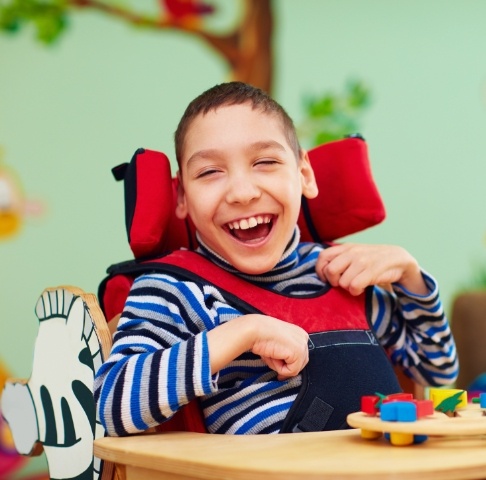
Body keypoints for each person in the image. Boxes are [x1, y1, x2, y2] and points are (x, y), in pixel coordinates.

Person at [94, 81, 458, 436]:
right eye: (209, 172)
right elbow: (109, 405)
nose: (242, 192)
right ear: (182, 198)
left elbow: (437, 373)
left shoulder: (342, 274)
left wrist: (411, 276)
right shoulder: (175, 289)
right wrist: (241, 332)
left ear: (304, 175)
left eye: (265, 161)